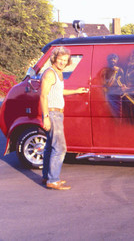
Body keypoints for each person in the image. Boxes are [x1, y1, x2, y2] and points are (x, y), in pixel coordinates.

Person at [40, 47, 89, 190]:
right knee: (60, 148)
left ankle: (47, 177)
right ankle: (53, 180)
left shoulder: (58, 73)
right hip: (52, 113)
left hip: (58, 113)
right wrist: (46, 117)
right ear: (54, 58)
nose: (62, 62)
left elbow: (59, 92)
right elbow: (43, 96)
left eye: (65, 60)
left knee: (50, 146)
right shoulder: (49, 74)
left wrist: (76, 91)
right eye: (60, 59)